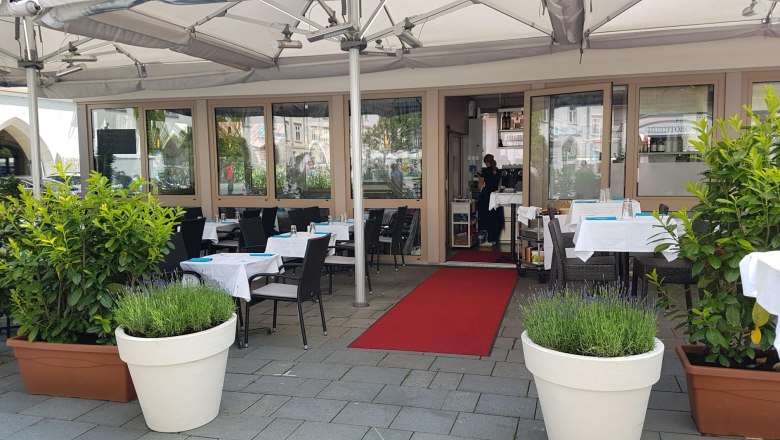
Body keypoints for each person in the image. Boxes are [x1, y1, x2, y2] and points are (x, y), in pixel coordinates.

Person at [476, 153, 504, 246]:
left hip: (487, 197)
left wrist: (481, 187)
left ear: (486, 162)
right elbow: (499, 185)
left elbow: (480, 186)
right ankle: (495, 239)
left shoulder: (485, 171)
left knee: (487, 218)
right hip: (496, 197)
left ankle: (488, 240)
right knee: (496, 218)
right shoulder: (498, 171)